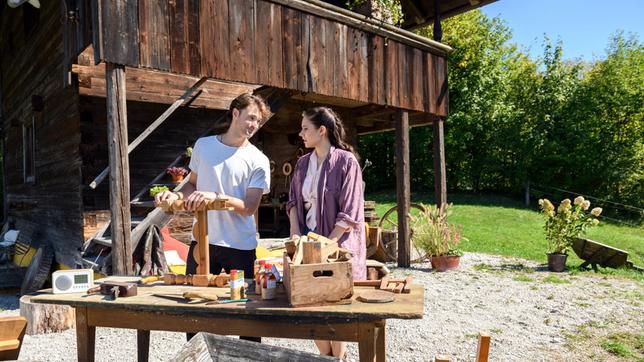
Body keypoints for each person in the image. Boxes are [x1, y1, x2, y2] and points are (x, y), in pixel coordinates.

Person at [155, 92, 271, 342]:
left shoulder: (258, 160)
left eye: (258, 121)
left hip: (240, 245)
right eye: (251, 118)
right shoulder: (204, 146)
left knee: (245, 314)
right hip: (202, 242)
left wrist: (216, 196)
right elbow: (192, 186)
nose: (254, 125)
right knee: (194, 310)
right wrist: (172, 196)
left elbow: (250, 207)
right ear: (235, 113)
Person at [287, 106, 366, 359]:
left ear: (322, 131)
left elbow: (350, 211)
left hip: (337, 244)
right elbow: (292, 203)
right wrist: (296, 234)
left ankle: (338, 358)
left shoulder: (346, 161)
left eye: (305, 128)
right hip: (308, 242)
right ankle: (326, 358)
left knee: (335, 307)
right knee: (310, 303)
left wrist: (327, 244)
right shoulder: (301, 164)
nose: (301, 133)